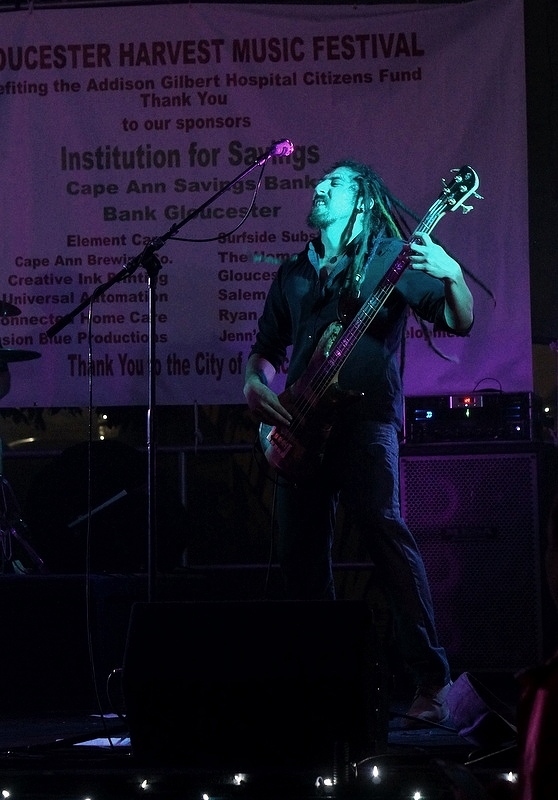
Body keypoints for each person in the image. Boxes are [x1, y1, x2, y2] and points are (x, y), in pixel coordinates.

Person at [243, 159, 475, 726]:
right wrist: (253, 384)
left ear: (364, 200)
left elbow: (458, 320)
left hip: (365, 422)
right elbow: (266, 350)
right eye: (321, 182)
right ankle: (322, 683)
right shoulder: (294, 272)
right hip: (299, 425)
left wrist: (453, 275)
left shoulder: (390, 258)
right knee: (300, 557)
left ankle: (432, 681)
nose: (320, 186)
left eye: (336, 183)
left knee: (384, 535)